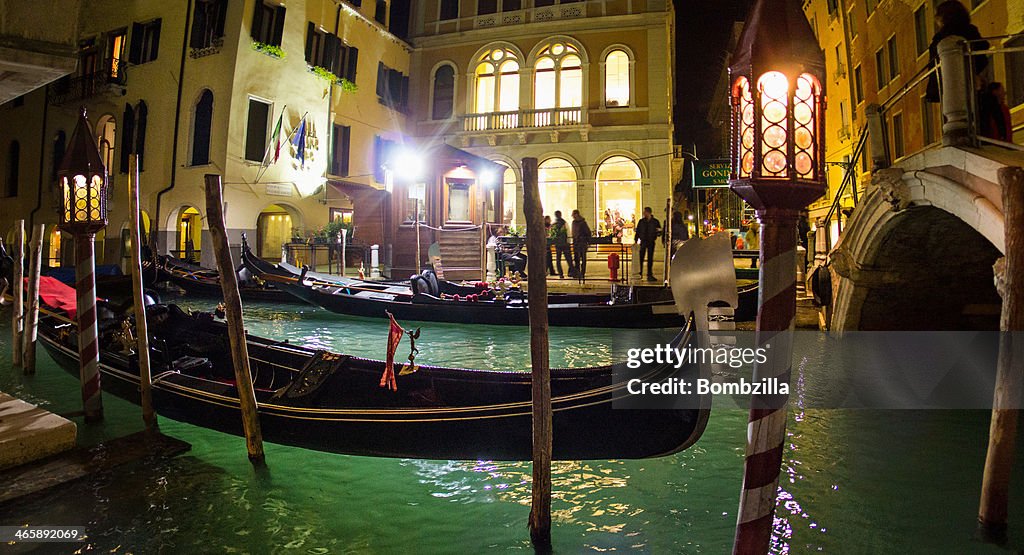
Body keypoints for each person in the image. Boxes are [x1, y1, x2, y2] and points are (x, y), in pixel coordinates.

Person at [926, 1, 989, 102]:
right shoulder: (970, 30)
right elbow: (982, 53)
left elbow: (933, 66)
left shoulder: (940, 38)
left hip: (949, 87)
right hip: (970, 83)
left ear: (943, 17)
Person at [634, 206, 661, 282]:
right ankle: (640, 273)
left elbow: (659, 230)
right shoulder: (641, 221)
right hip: (643, 241)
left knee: (650, 258)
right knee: (641, 258)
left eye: (644, 212)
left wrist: (657, 233)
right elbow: (638, 231)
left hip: (651, 241)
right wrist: (636, 240)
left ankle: (649, 274)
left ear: (648, 212)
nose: (643, 213)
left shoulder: (655, 222)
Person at [551, 210, 573, 278]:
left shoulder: (554, 224)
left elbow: (552, 234)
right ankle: (572, 271)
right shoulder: (564, 223)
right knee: (569, 259)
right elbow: (568, 232)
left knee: (558, 259)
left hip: (558, 244)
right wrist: (569, 241)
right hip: (565, 243)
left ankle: (561, 274)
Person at [570, 209, 592, 280]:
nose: (573, 216)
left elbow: (588, 232)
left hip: (582, 243)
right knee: (576, 258)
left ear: (577, 214)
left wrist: (587, 241)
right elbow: (573, 233)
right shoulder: (574, 223)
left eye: (573, 215)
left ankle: (582, 273)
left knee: (583, 258)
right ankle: (577, 272)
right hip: (576, 243)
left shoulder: (583, 223)